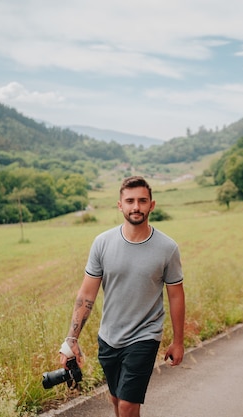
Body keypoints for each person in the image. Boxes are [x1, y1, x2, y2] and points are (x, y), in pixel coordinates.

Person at [59, 175, 185, 417]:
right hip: (109, 337)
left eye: (142, 201)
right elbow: (87, 294)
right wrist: (71, 339)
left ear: (152, 204)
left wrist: (178, 342)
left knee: (128, 405)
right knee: (117, 399)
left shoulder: (167, 248)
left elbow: (176, 296)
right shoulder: (102, 243)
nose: (136, 207)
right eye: (129, 201)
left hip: (144, 336)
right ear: (120, 205)